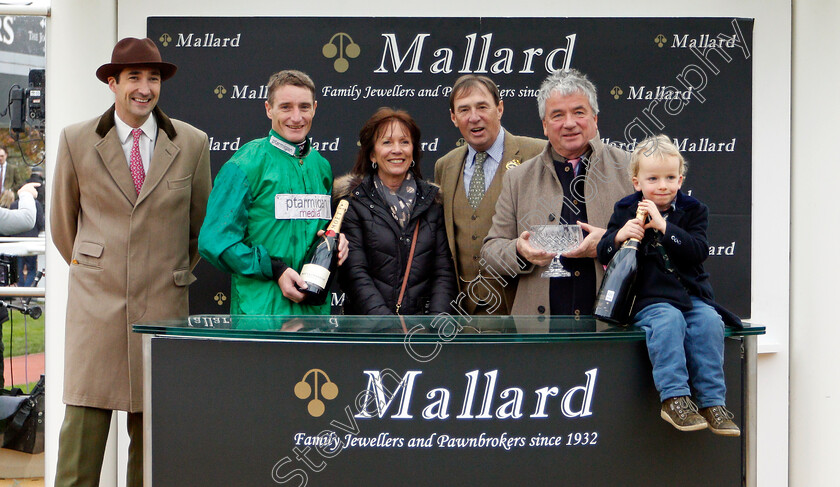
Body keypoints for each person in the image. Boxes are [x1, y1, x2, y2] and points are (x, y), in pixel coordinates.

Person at [51, 37, 211, 486]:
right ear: (112, 82)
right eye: (134, 78)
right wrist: (97, 267)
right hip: (95, 311)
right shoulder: (77, 139)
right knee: (79, 445)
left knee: (154, 447)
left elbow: (200, 227)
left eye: (153, 78)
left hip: (163, 303)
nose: (145, 88)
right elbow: (65, 227)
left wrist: (165, 267)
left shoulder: (192, 142)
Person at [597, 135, 741, 436]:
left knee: (709, 322)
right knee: (669, 320)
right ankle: (674, 398)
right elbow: (604, 253)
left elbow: (698, 251)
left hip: (691, 296)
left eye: (670, 177)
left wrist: (665, 228)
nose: (662, 185)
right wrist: (621, 235)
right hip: (650, 299)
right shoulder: (625, 208)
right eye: (653, 178)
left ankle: (713, 402)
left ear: (681, 178)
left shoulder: (694, 209)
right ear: (637, 182)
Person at [482, 69, 633, 316]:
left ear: (595, 119)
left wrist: (610, 242)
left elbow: (659, 243)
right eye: (557, 115)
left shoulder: (630, 169)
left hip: (612, 329)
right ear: (544, 125)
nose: (569, 123)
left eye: (579, 112)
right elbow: (491, 253)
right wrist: (520, 251)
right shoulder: (518, 179)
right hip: (540, 337)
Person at [199, 70, 347, 315]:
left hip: (314, 316)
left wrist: (336, 243)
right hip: (261, 315)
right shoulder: (245, 164)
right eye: (286, 107)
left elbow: (319, 232)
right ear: (269, 109)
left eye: (304, 107)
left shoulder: (321, 166)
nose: (296, 117)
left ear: (315, 108)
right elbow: (213, 241)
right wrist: (274, 269)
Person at [435, 75, 544, 315]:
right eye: (464, 110)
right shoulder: (445, 166)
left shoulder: (537, 153)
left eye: (482, 106)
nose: (474, 117)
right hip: (464, 313)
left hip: (520, 307)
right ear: (454, 118)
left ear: (500, 108)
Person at [336, 108, 457, 315]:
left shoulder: (432, 201)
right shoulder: (353, 202)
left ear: (413, 151)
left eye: (404, 142)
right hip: (370, 334)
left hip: (422, 336)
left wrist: (436, 326)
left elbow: (444, 273)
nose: (397, 149)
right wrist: (387, 325)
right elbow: (355, 273)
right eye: (387, 142)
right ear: (372, 153)